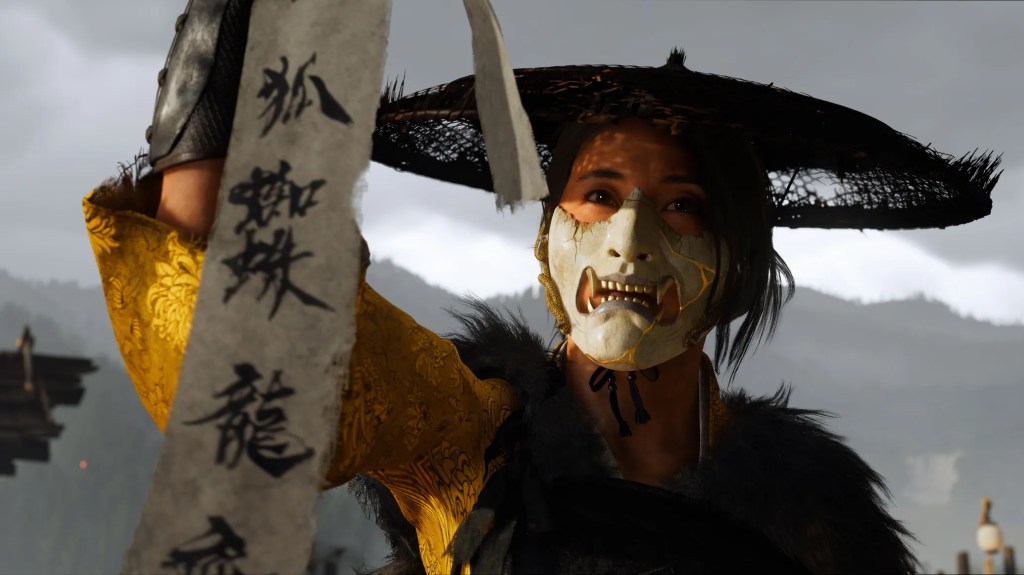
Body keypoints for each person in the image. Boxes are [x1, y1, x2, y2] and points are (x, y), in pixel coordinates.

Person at [83, 2, 1001, 573]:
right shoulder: (462, 435)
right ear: (549, 236)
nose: (629, 239)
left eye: (681, 207)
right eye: (598, 194)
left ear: (733, 261)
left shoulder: (815, 512)